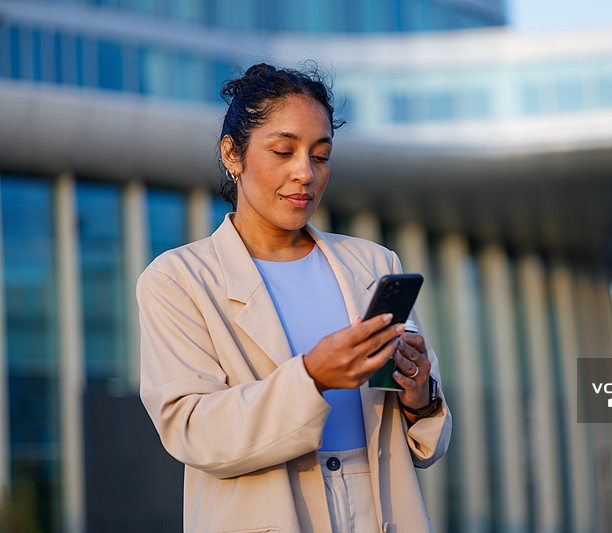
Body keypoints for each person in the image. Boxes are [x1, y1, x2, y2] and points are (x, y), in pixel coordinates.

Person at [137, 63, 451, 533]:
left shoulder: (374, 265)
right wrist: (311, 377)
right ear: (232, 154)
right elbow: (194, 430)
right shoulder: (178, 279)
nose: (304, 173)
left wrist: (420, 395)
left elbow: (429, 436)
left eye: (320, 156)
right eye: (283, 151)